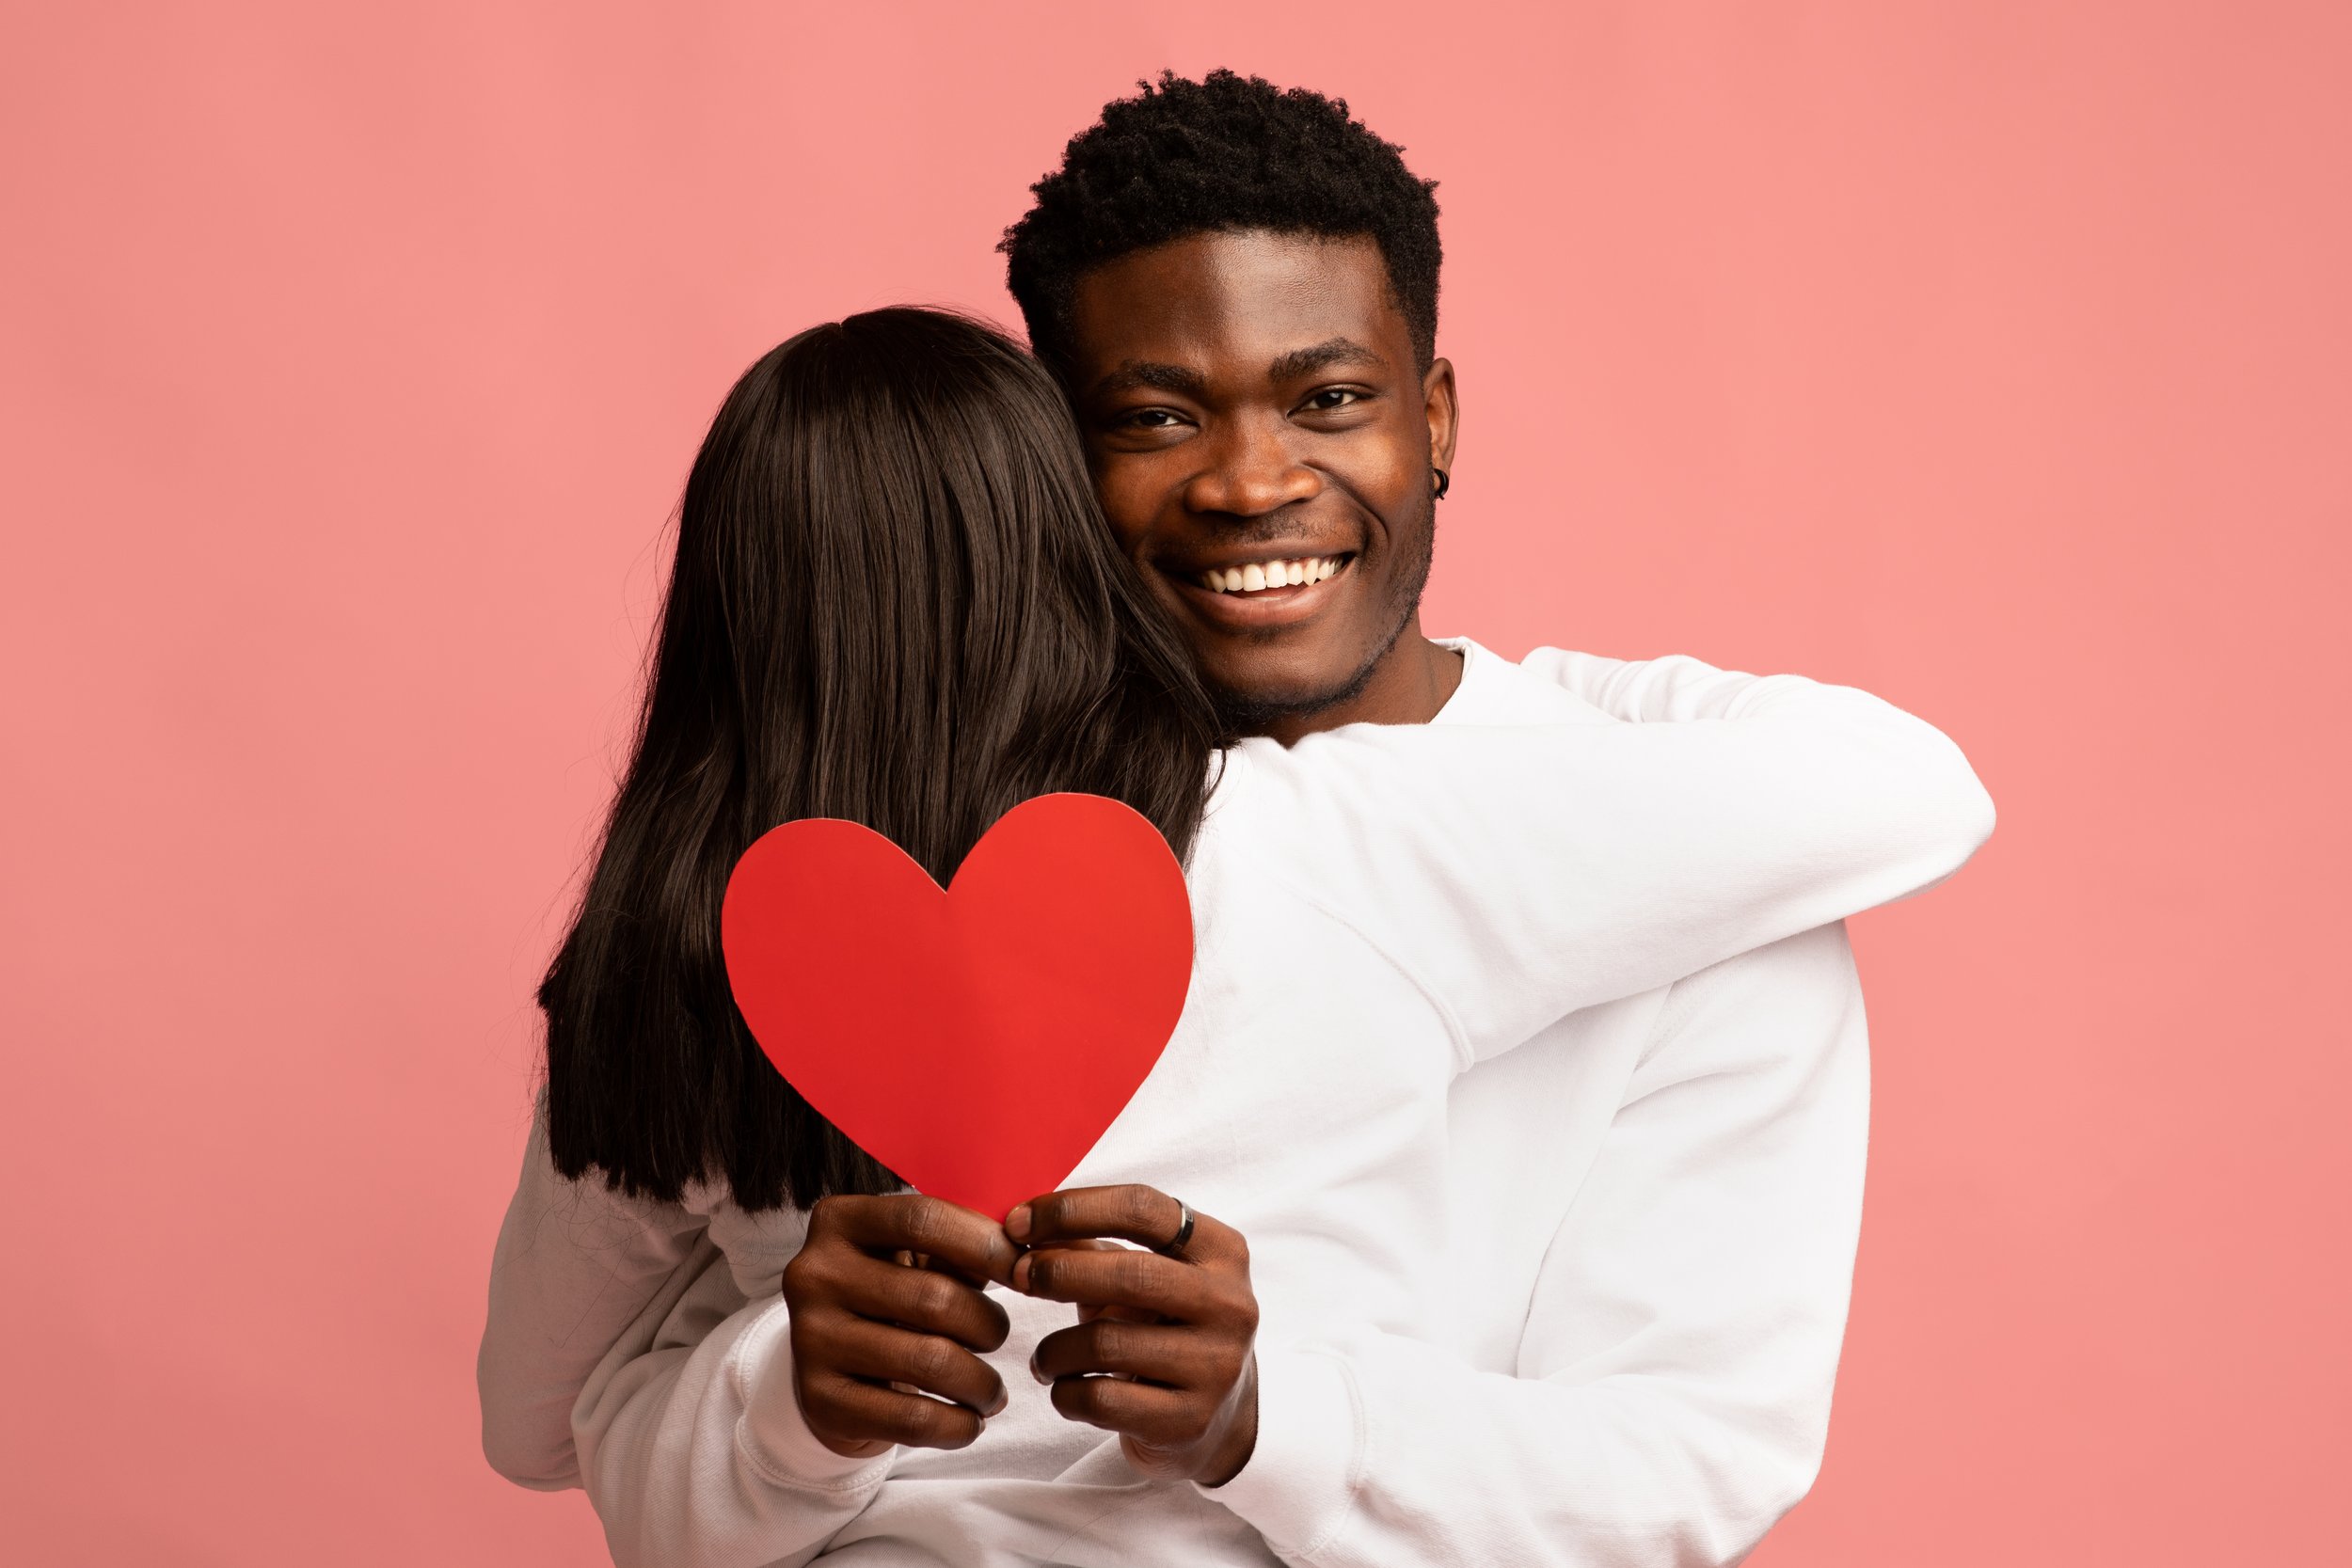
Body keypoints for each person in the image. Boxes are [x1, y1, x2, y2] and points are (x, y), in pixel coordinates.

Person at [478, 306, 1992, 1565]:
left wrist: (782, 1403)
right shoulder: (1340, 833)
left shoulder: (665, 969)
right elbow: (1896, 791)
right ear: (1063, 540)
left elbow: (534, 1419)